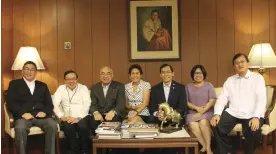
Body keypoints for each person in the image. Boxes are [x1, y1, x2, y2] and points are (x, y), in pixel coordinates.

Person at [210, 53, 266, 154]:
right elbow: (222, 98)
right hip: (233, 112)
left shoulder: (258, 78)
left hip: (251, 113)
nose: (240, 64)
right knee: (215, 124)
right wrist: (217, 113)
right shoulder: (230, 80)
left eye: (242, 62)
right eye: (237, 63)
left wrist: (256, 117)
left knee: (254, 131)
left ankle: (249, 152)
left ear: (247, 63)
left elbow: (261, 99)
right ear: (234, 66)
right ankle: (227, 151)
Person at [6, 61, 57, 154]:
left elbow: (49, 103)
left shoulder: (43, 85)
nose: (29, 72)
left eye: (32, 69)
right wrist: (22, 113)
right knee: (20, 128)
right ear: (22, 71)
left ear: (35, 72)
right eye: (27, 69)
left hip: (41, 116)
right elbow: (10, 102)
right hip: (23, 117)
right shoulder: (14, 84)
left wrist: (45, 112)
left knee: (52, 125)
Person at [53, 70, 91, 154]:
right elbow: (54, 103)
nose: (71, 81)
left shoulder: (83, 88)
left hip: (82, 116)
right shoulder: (61, 88)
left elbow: (87, 104)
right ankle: (74, 150)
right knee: (68, 127)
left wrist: (78, 118)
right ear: (64, 80)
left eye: (73, 79)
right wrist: (61, 116)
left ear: (77, 79)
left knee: (83, 126)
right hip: (67, 117)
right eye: (68, 79)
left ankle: (85, 150)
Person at [186, 65, 216, 154]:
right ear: (192, 75)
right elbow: (187, 102)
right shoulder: (188, 86)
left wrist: (202, 111)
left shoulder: (209, 85)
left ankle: (209, 148)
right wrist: (197, 108)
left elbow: (212, 101)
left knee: (203, 122)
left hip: (207, 111)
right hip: (192, 112)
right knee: (192, 123)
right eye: (196, 73)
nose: (198, 75)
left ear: (204, 74)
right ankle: (204, 146)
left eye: (200, 73)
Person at [90, 66, 126, 131]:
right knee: (92, 121)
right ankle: (96, 141)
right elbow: (93, 103)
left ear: (112, 75)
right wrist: (95, 112)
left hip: (114, 114)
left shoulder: (119, 86)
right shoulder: (94, 87)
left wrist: (113, 112)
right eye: (103, 73)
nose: (105, 76)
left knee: (113, 120)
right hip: (99, 114)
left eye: (108, 73)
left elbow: (121, 104)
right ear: (100, 76)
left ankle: (110, 140)